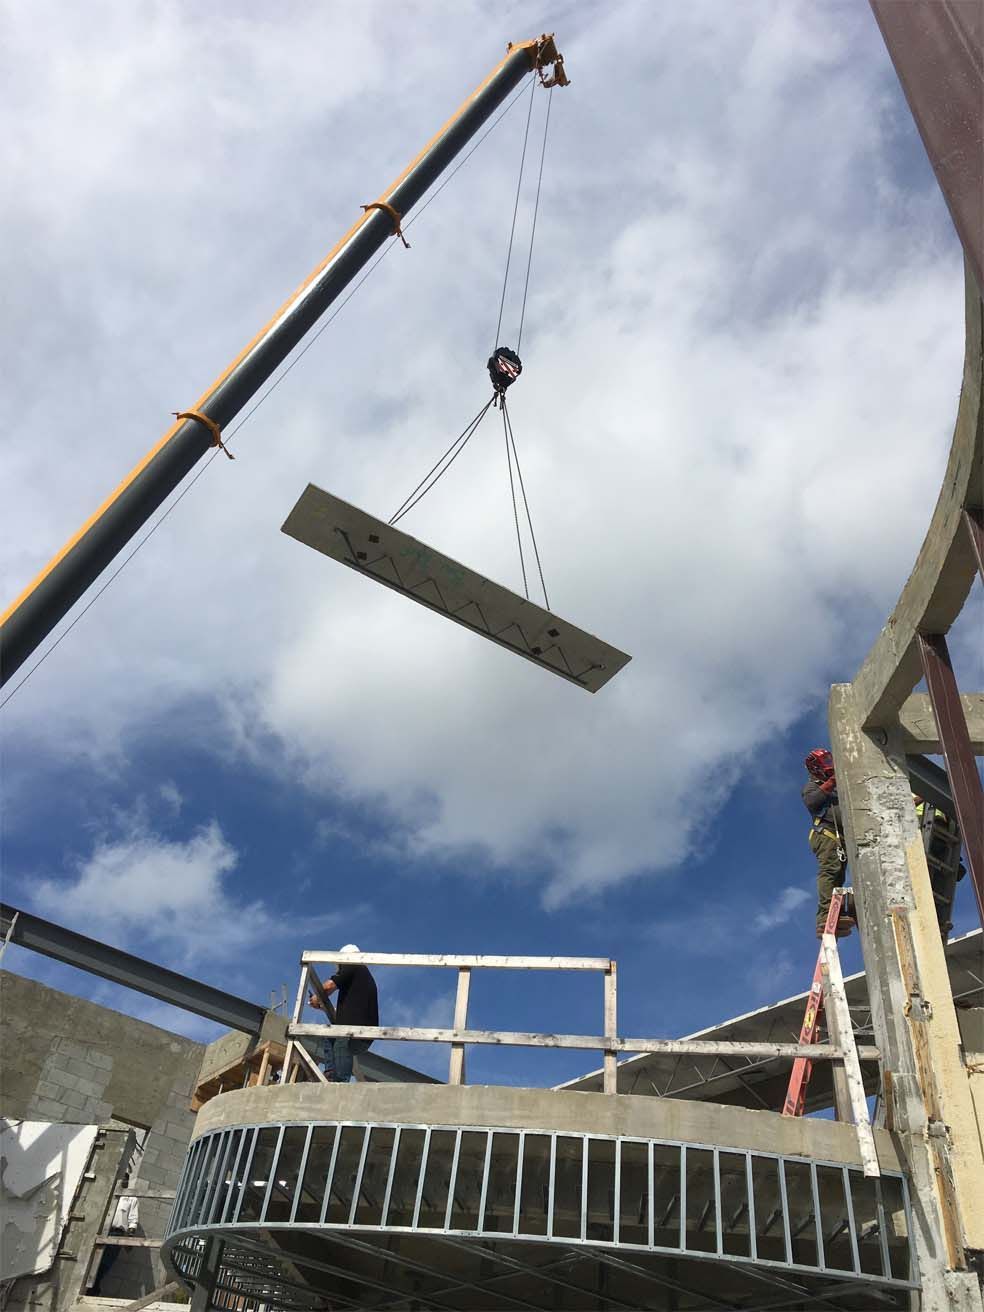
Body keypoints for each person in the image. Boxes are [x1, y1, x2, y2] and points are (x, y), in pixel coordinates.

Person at [802, 748, 855, 938]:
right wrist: (832, 781)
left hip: (839, 838)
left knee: (838, 874)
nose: (829, 766)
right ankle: (825, 916)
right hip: (825, 835)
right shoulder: (812, 786)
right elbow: (811, 802)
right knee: (830, 871)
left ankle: (837, 912)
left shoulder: (837, 789)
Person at [308, 944, 378, 1082]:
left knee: (340, 1040)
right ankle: (331, 1075)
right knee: (329, 1037)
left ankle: (339, 1082)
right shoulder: (361, 978)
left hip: (354, 1031)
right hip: (361, 1033)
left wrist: (317, 997)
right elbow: (348, 1011)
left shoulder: (354, 966)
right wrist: (322, 1006)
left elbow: (329, 986)